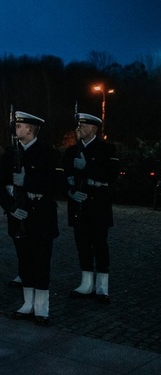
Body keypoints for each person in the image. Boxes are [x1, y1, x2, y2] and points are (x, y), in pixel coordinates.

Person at [0, 111, 60, 325]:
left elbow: (56, 184)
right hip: (19, 215)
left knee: (41, 262)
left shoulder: (47, 152)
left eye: (20, 126)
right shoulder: (10, 153)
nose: (16, 129)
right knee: (24, 261)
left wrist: (28, 181)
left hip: (41, 215)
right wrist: (11, 207)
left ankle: (42, 306)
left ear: (30, 129)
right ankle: (27, 303)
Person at [63, 112, 119, 304]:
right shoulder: (71, 151)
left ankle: (102, 287)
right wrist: (70, 192)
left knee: (100, 246)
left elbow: (111, 176)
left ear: (94, 129)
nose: (80, 128)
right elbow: (63, 178)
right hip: (79, 204)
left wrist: (86, 167)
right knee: (83, 245)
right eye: (79, 125)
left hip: (98, 203)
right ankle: (86, 283)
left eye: (84, 126)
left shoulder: (107, 149)